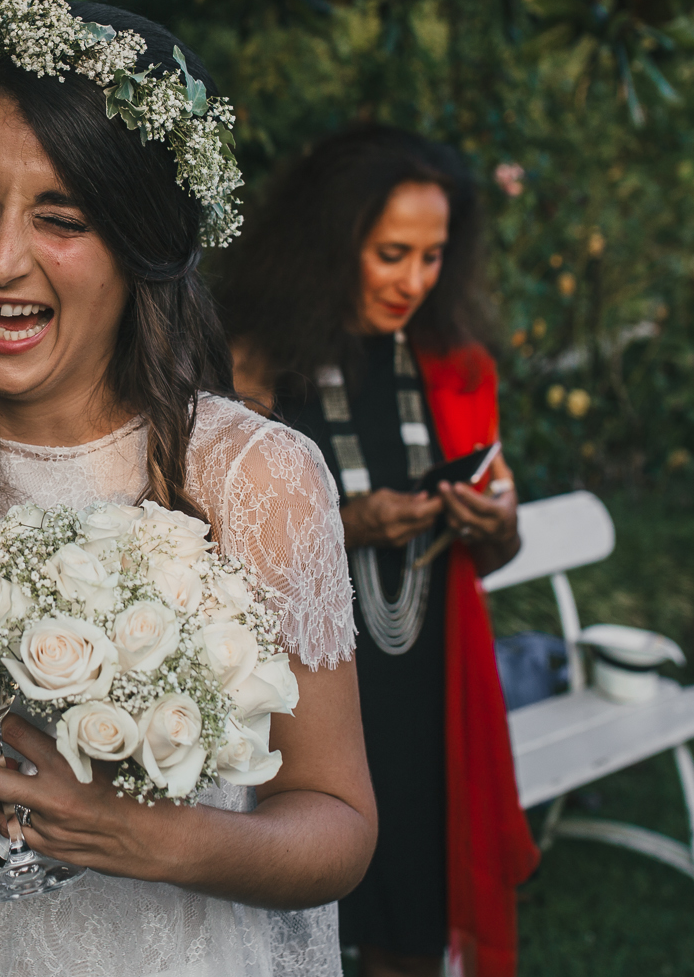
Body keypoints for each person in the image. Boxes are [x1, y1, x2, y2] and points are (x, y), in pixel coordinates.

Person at [0, 0, 377, 977]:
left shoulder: (252, 478)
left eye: (61, 217)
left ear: (141, 239)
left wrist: (172, 843)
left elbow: (340, 820)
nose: (0, 258)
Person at [217, 125, 536, 977]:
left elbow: (494, 554)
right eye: (393, 253)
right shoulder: (252, 359)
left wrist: (495, 527)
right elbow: (204, 535)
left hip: (424, 680)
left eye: (434, 257)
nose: (415, 282)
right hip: (299, 685)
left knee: (410, 924)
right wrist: (347, 526)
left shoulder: (451, 361)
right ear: (333, 240)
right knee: (284, 918)